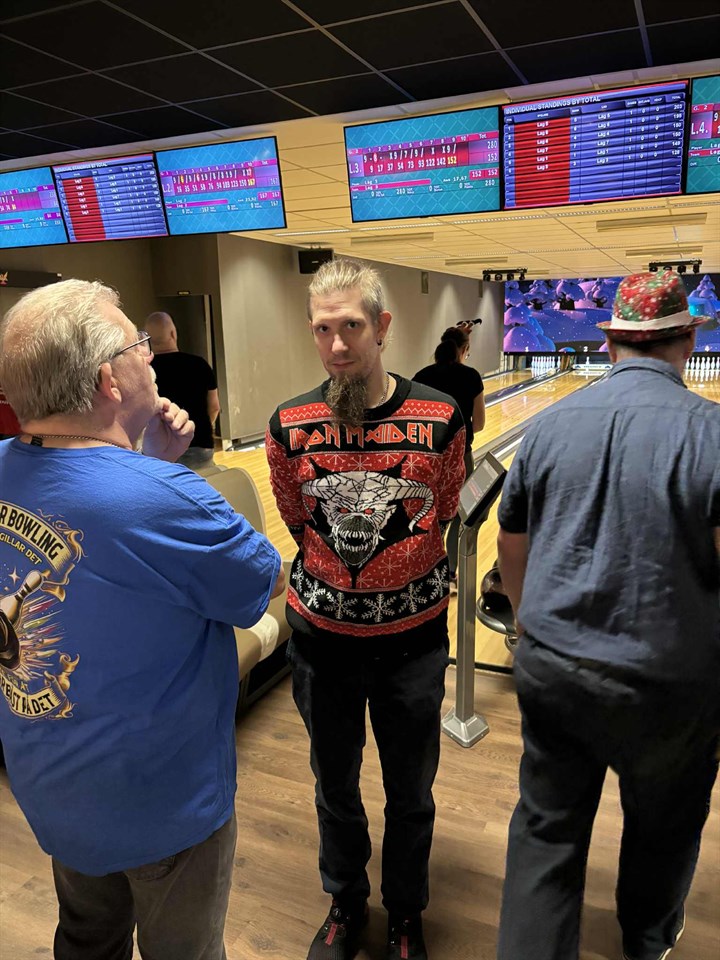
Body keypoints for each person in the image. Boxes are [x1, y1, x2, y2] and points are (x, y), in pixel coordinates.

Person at [0, 279, 284, 960]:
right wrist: (157, 473)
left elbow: (93, 517)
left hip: (50, 785)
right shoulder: (165, 497)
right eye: (139, 346)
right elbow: (265, 581)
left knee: (86, 938)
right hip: (161, 806)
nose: (151, 357)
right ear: (109, 381)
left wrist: (135, 460)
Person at [495, 271, 720, 960]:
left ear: (610, 342)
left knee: (547, 830)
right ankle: (646, 940)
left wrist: (528, 626)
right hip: (669, 685)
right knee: (663, 826)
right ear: (688, 342)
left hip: (555, 669)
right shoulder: (713, 432)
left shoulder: (548, 427)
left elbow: (511, 544)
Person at [265, 258, 467, 960]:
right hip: (322, 643)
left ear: (381, 326)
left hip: (414, 644)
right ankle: (346, 903)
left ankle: (406, 913)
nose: (337, 345)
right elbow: (298, 520)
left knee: (410, 794)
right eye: (323, 330)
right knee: (335, 788)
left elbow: (443, 510)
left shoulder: (440, 418)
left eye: (350, 326)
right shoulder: (288, 425)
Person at [413, 326, 485, 589]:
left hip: (425, 458)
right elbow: (479, 424)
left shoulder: (421, 376)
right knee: (458, 515)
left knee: (425, 512)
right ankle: (451, 573)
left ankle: (422, 569)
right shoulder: (471, 376)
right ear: (464, 350)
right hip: (460, 457)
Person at [145, 310, 220, 469]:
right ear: (173, 334)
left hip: (160, 450)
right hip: (200, 444)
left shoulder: (145, 371)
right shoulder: (199, 364)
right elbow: (214, 407)